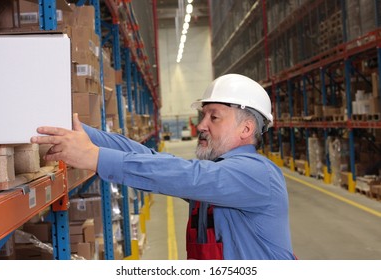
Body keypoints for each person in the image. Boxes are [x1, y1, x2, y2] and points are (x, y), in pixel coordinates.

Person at [31, 73, 295, 260]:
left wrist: (96, 158)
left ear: (246, 128)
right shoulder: (218, 174)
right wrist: (84, 136)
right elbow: (154, 159)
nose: (201, 125)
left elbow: (187, 176)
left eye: (214, 117)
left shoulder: (258, 174)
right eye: (202, 115)